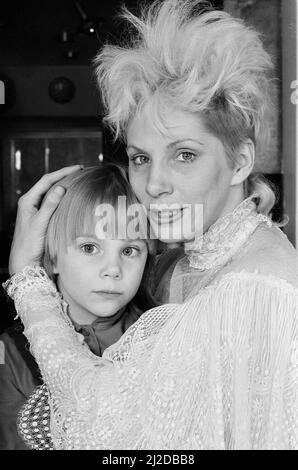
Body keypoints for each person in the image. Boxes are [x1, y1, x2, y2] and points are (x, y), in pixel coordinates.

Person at [3, 0, 298, 450]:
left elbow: (99, 426)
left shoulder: (253, 289)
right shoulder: (181, 260)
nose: (154, 184)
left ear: (240, 161)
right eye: (141, 158)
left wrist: (28, 279)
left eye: (184, 155)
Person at [0, 164, 156, 450]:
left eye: (129, 250)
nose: (113, 269)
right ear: (53, 256)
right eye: (89, 248)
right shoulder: (8, 351)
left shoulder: (161, 339)